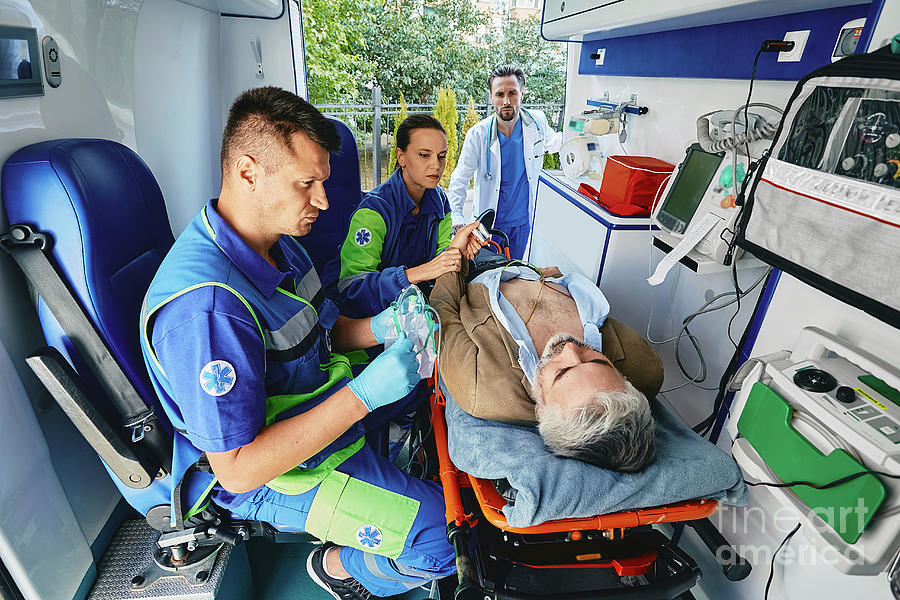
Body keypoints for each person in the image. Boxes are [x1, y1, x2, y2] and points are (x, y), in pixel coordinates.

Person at [139, 86, 455, 600]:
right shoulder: (209, 309)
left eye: (323, 182)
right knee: (446, 538)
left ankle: (383, 482)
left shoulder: (282, 246)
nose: (324, 201)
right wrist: (362, 397)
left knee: (426, 395)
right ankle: (339, 568)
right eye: (307, 183)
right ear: (247, 172)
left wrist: (382, 329)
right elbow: (239, 469)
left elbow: (324, 332)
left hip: (313, 403)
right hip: (272, 473)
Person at [429, 256, 661, 472]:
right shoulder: (644, 364)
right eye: (598, 360)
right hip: (534, 270)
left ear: (540, 411)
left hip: (475, 269)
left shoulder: (479, 384)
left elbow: (442, 306)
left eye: (562, 372)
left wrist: (455, 255)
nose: (570, 348)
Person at [336, 114, 479, 318]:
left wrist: (457, 250)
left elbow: (440, 259)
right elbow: (351, 288)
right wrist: (418, 273)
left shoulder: (440, 202)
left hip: (420, 308)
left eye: (441, 156)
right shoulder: (373, 212)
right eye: (424, 155)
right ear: (401, 157)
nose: (436, 166)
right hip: (375, 319)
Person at [447, 65, 563, 260]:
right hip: (489, 224)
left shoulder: (537, 122)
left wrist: (580, 131)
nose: (506, 101)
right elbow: (460, 178)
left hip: (524, 221)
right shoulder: (478, 134)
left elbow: (555, 143)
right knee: (486, 277)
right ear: (491, 97)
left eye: (512, 93)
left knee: (517, 272)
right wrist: (457, 218)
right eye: (500, 94)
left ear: (522, 94)